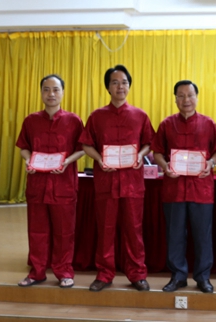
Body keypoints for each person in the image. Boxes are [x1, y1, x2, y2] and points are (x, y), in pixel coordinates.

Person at [79, 65, 155, 292]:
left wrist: (140, 156)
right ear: (108, 87)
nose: (120, 86)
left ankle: (137, 274)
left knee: (134, 230)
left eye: (124, 82)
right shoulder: (97, 116)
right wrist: (100, 159)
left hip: (132, 183)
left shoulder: (140, 116)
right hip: (106, 182)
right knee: (105, 230)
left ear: (129, 86)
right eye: (115, 82)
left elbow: (148, 143)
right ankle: (104, 274)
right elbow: (86, 145)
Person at [151, 80, 216, 293]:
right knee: (175, 235)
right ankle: (178, 276)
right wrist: (165, 166)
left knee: (202, 235)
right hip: (174, 189)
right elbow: (157, 152)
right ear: (175, 99)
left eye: (190, 95)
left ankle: (203, 277)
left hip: (201, 189)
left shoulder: (208, 124)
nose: (186, 100)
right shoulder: (166, 124)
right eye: (181, 96)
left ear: (197, 98)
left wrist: (210, 163)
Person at [16, 74, 84, 289]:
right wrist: (28, 160)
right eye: (46, 89)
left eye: (55, 89)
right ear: (41, 93)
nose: (51, 94)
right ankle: (37, 272)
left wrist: (66, 162)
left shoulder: (73, 121)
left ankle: (64, 272)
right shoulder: (31, 120)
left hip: (63, 185)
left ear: (62, 92)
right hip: (37, 185)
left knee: (64, 232)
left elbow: (82, 149)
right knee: (37, 231)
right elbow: (24, 147)